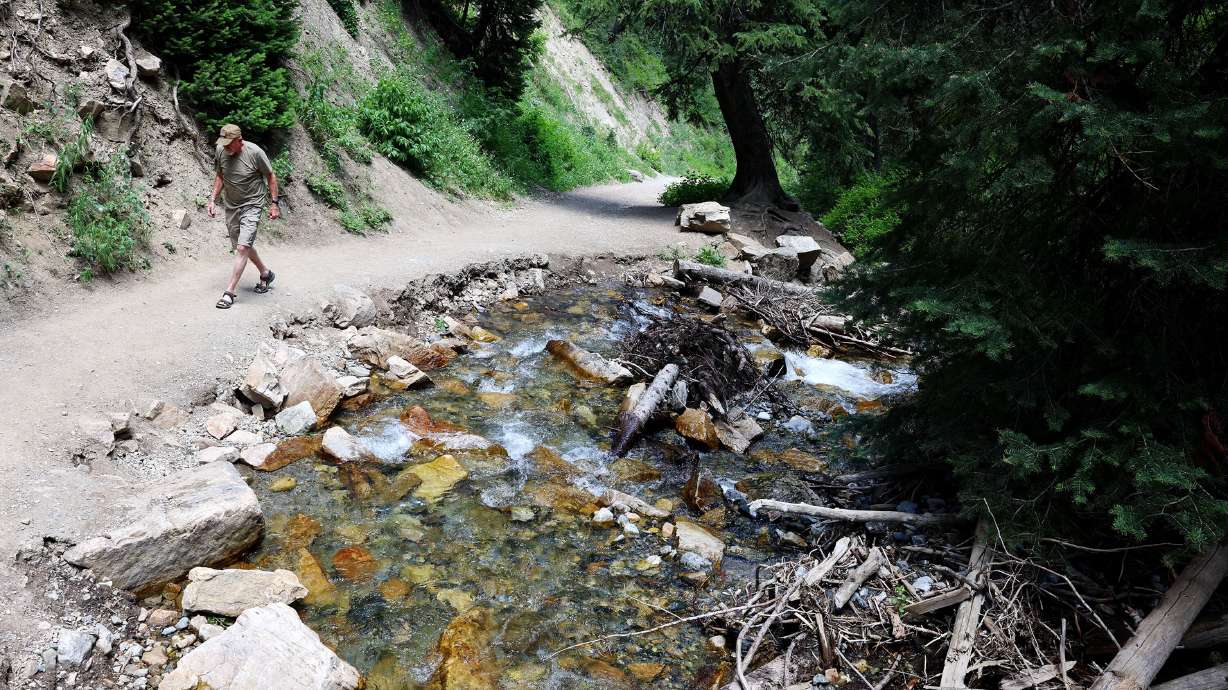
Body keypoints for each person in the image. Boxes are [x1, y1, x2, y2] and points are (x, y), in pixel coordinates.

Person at [207, 123, 280, 309]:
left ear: (239, 141)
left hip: (253, 205)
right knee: (242, 246)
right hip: (232, 206)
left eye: (228, 143)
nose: (225, 147)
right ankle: (265, 273)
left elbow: (270, 176)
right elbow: (220, 175)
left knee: (241, 248)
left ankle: (229, 292)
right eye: (223, 143)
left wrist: (274, 204)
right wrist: (212, 199)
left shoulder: (255, 153)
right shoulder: (221, 150)